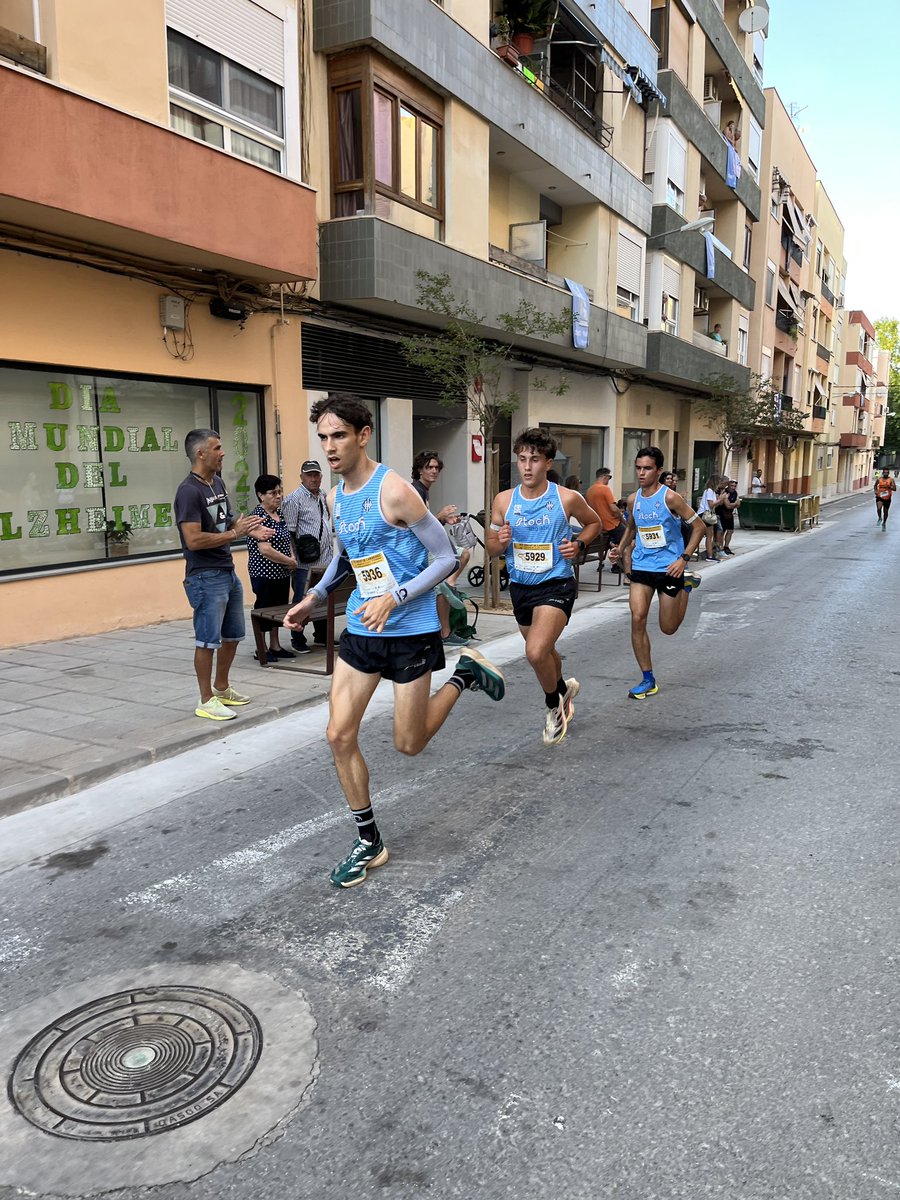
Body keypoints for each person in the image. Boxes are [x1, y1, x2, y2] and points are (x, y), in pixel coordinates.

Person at [284, 394, 506, 889]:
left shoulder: (397, 491)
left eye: (338, 435)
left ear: (363, 435)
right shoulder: (338, 495)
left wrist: (395, 597)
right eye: (323, 438)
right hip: (363, 631)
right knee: (339, 735)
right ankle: (370, 841)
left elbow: (446, 557)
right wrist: (315, 597)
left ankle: (465, 674)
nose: (329, 447)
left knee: (409, 744)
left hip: (409, 632)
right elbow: (349, 554)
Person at [486, 427, 602, 746]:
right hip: (521, 588)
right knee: (546, 652)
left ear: (548, 463)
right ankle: (563, 689)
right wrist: (500, 541)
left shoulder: (566, 498)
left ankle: (554, 706)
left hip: (556, 584)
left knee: (535, 651)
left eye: (534, 460)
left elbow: (595, 523)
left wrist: (579, 545)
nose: (527, 466)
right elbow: (492, 548)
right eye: (522, 459)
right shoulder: (504, 500)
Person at [175, 428, 273, 721]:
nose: (223, 453)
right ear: (200, 453)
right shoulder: (188, 492)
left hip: (226, 571)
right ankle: (205, 699)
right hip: (204, 576)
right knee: (207, 640)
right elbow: (193, 539)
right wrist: (234, 533)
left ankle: (222, 687)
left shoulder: (215, 482)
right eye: (217, 448)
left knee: (233, 636)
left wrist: (251, 528)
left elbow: (226, 520)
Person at [609, 447, 705, 700]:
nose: (641, 473)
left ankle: (685, 587)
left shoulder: (670, 498)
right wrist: (619, 550)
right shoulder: (633, 500)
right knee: (637, 618)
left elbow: (699, 526)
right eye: (638, 467)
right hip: (641, 566)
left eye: (647, 468)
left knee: (668, 628)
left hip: (669, 568)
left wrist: (683, 559)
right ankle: (647, 678)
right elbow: (631, 527)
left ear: (659, 470)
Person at [411, 449, 471, 646]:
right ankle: (444, 632)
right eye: (429, 467)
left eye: (437, 467)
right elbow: (417, 525)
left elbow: (427, 524)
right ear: (420, 470)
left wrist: (444, 519)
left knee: (463, 553)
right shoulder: (416, 491)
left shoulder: (423, 490)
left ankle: (449, 582)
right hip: (417, 550)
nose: (434, 471)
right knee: (441, 583)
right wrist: (440, 515)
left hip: (426, 547)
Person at [283, 460, 334, 653]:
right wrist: (292, 557)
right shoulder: (294, 499)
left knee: (322, 598)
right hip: (305, 562)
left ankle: (321, 636)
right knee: (302, 598)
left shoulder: (322, 495)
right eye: (309, 475)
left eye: (316, 475)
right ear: (301, 477)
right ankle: (297, 637)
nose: (313, 478)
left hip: (326, 559)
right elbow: (288, 532)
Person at [246, 474, 297, 661]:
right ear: (261, 495)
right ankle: (262, 648)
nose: (278, 496)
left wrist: (291, 556)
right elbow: (265, 550)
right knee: (264, 609)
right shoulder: (257, 518)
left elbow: (286, 539)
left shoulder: (279, 513)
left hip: (282, 572)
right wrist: (289, 561)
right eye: (273, 493)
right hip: (264, 573)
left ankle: (275, 646)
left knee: (279, 609)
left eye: (279, 491)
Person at [586, 466, 626, 574]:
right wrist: (623, 520)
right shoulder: (605, 489)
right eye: (609, 477)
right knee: (628, 540)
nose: (609, 480)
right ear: (604, 476)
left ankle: (604, 563)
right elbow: (614, 509)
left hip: (599, 526)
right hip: (611, 523)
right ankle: (628, 568)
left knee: (604, 543)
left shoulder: (589, 491)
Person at [696, 473, 723, 561]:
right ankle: (709, 555)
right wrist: (719, 500)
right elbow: (711, 505)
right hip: (706, 515)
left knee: (706, 535)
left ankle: (709, 554)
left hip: (704, 514)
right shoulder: (710, 491)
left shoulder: (709, 491)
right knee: (709, 535)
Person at [716, 479, 740, 555]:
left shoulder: (735, 493)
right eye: (732, 486)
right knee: (722, 531)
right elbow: (727, 505)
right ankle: (720, 547)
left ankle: (726, 546)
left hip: (729, 514)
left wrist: (733, 504)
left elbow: (739, 504)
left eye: (734, 486)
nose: (733, 487)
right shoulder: (725, 492)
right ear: (728, 485)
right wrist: (734, 504)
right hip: (721, 513)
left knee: (730, 531)